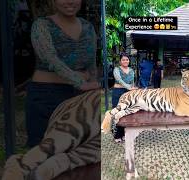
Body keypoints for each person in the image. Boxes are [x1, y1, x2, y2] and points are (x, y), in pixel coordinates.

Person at [26, 0, 99, 148]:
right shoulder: (42, 25)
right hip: (47, 96)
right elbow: (49, 58)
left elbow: (92, 62)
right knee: (42, 152)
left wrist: (93, 87)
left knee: (77, 154)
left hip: (80, 98)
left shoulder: (88, 27)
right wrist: (79, 82)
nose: (70, 1)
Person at [112, 53, 137, 142]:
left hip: (128, 94)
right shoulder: (116, 69)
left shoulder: (131, 70)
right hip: (118, 93)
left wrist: (133, 90)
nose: (125, 61)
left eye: (127, 59)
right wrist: (129, 87)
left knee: (126, 112)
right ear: (120, 61)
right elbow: (119, 80)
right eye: (123, 60)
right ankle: (117, 135)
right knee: (117, 112)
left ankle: (125, 134)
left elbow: (132, 82)